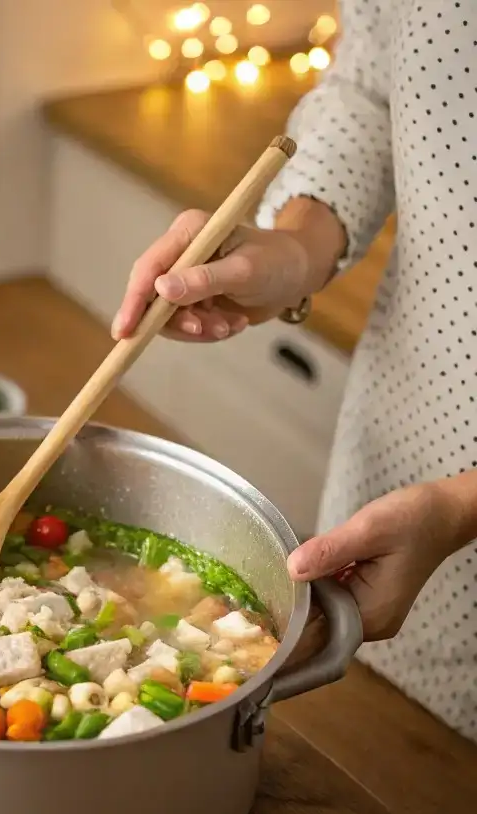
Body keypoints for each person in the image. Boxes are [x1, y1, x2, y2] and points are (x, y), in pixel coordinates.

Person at [111, 0, 477, 740]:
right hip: (405, 446)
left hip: (442, 511)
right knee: (390, 752)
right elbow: (372, 83)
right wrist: (294, 251)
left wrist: (463, 506)